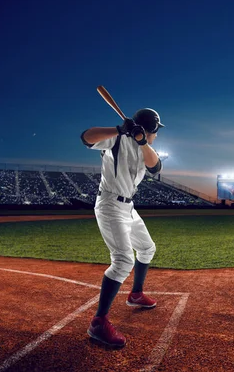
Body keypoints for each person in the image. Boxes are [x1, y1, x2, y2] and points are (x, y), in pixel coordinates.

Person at [81, 108, 165, 348]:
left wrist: (140, 141)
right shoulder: (116, 138)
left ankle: (136, 294)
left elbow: (155, 167)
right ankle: (98, 322)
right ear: (153, 129)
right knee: (123, 261)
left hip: (129, 208)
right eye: (156, 132)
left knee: (147, 248)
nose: (157, 136)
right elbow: (86, 137)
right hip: (109, 204)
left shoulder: (145, 147)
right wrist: (120, 129)